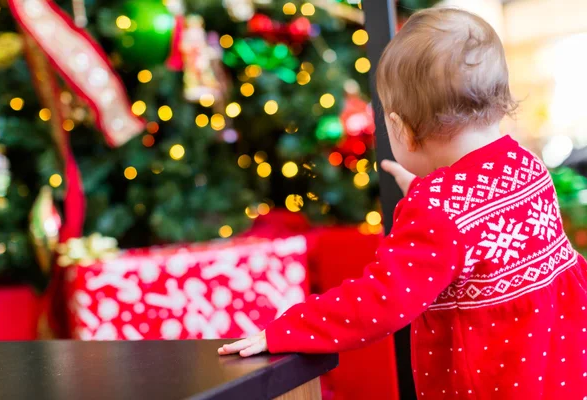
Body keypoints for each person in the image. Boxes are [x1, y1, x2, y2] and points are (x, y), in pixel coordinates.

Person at [219, 8, 587, 398]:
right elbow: (485, 226)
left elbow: (380, 299)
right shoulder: (525, 165)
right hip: (562, 373)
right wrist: (427, 194)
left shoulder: (439, 211)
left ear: (401, 128)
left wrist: (287, 329)